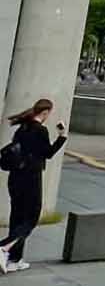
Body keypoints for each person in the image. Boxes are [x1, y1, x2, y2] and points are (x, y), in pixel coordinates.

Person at [0, 98, 67, 272]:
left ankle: (14, 259)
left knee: (17, 218)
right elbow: (48, 153)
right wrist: (62, 137)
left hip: (15, 178)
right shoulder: (40, 130)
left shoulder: (23, 127)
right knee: (31, 217)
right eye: (48, 114)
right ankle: (4, 247)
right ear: (45, 113)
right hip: (30, 179)